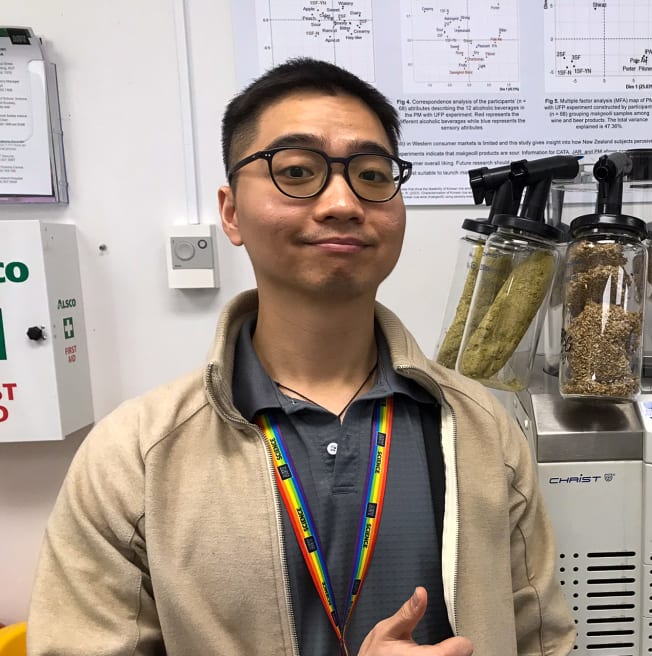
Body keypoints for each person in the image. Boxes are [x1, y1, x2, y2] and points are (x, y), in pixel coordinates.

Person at [28, 58, 576, 656]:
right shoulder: (135, 455)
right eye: (296, 170)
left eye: (371, 174)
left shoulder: (481, 427)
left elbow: (542, 639)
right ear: (231, 212)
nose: (343, 202)